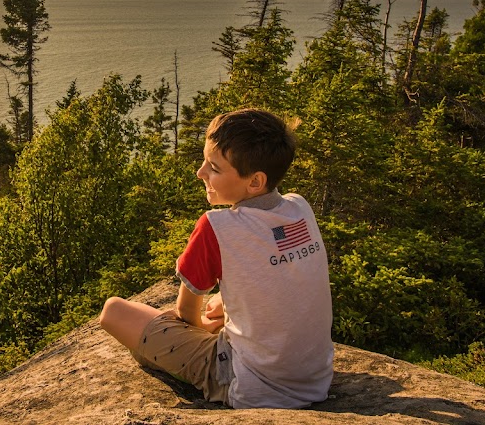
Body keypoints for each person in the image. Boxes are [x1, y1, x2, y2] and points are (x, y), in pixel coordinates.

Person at [99, 108, 333, 408]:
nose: (200, 173)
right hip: (314, 379)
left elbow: (186, 316)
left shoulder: (216, 227)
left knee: (115, 312)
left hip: (250, 384)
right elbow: (275, 273)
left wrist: (202, 327)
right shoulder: (299, 207)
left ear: (254, 182)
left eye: (213, 167)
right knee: (217, 304)